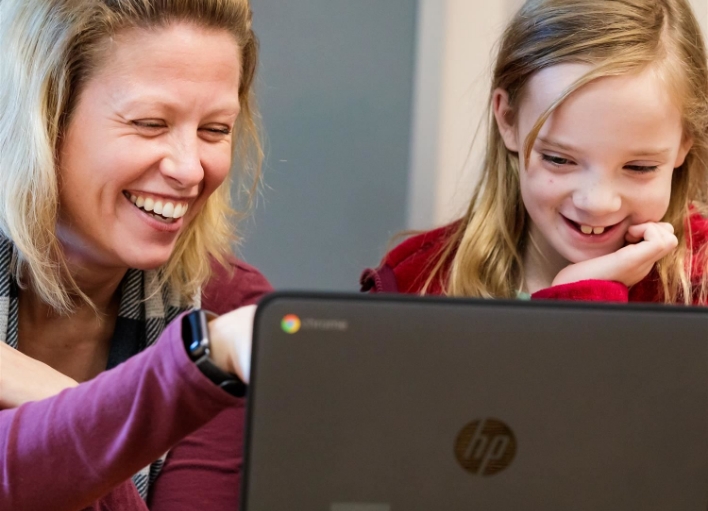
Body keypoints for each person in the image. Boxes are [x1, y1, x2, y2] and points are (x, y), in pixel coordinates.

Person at [0, 0, 269, 509]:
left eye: (215, 130)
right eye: (150, 123)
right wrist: (184, 379)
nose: (190, 170)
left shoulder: (227, 308)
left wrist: (54, 397)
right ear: (44, 119)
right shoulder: (222, 340)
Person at [362, 0, 708, 305]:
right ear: (508, 118)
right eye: (559, 159)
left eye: (639, 167)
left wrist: (584, 292)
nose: (597, 203)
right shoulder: (414, 283)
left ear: (685, 141)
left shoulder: (700, 283)